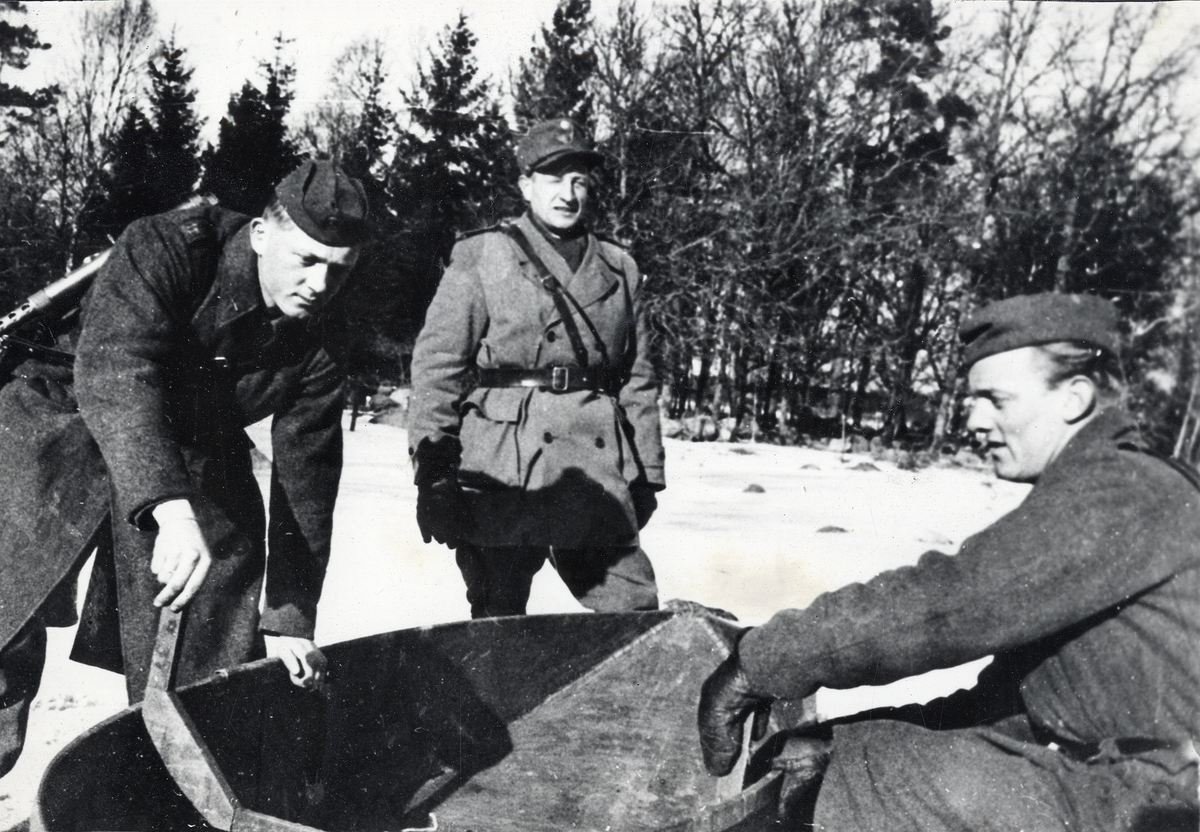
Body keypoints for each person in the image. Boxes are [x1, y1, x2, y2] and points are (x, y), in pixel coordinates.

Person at [698, 293, 1200, 831]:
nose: (974, 421)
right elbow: (1008, 707)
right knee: (854, 763)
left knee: (871, 778)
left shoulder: (1119, 493)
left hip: (1159, 805)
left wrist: (764, 662)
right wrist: (839, 741)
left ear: (1073, 398)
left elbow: (948, 605)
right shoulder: (1110, 489)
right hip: (1126, 785)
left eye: (996, 400)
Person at [0, 159, 370, 777]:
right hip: (63, 411)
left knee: (212, 636)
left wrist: (290, 616)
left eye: (339, 269)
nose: (319, 284)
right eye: (306, 260)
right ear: (260, 234)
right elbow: (118, 370)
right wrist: (171, 510)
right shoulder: (169, 245)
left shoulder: (325, 335)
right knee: (7, 605)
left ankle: (178, 791)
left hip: (198, 445)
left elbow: (308, 479)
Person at [407, 118, 665, 619]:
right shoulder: (483, 254)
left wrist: (646, 473)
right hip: (504, 463)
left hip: (592, 465)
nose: (567, 193)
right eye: (553, 178)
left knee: (633, 611)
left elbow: (638, 377)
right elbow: (438, 367)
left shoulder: (620, 268)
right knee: (498, 617)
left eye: (579, 180)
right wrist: (433, 472)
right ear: (526, 185)